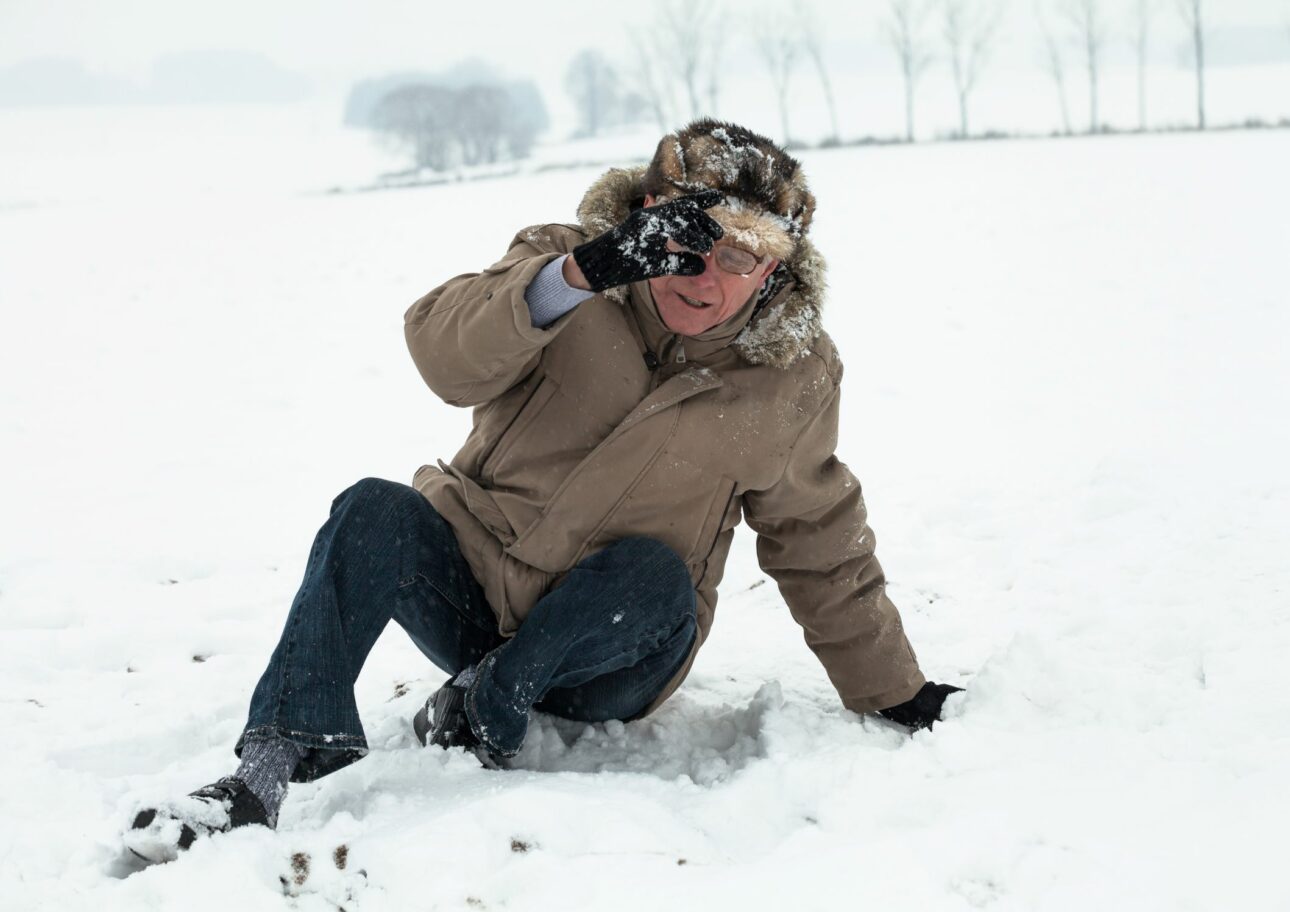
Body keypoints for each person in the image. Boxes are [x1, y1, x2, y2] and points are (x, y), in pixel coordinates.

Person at [124, 119, 963, 864]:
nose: (701, 275)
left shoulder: (792, 375)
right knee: (369, 510)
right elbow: (441, 357)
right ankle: (263, 774)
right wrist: (579, 274)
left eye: (737, 256)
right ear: (640, 223)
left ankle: (488, 698)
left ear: (775, 271)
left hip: (617, 649)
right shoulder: (561, 271)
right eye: (682, 242)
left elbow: (816, 535)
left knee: (651, 572)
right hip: (473, 593)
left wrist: (895, 690)